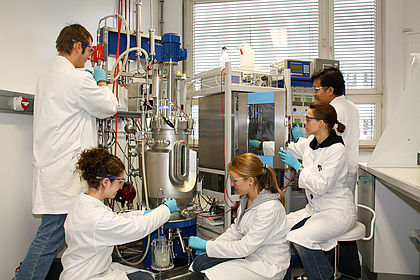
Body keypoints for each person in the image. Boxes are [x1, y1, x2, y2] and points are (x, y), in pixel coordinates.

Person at [17, 24, 119, 280]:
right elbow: (109, 105)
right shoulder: (77, 78)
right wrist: (102, 79)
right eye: (88, 51)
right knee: (49, 238)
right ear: (77, 46)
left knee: (56, 236)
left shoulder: (47, 76)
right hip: (64, 174)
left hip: (52, 169)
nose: (88, 57)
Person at [60, 147, 178, 280]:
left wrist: (143, 214)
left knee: (145, 276)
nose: (121, 188)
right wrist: (165, 210)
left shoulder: (83, 203)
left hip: (88, 269)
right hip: (87, 276)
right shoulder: (96, 218)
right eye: (119, 182)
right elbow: (135, 229)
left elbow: (116, 219)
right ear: (105, 182)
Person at [279, 102, 356, 280]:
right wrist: (259, 142)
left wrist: (298, 167)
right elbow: (290, 147)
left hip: (336, 211)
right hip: (316, 208)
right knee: (278, 228)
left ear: (321, 123)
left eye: (308, 118)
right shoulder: (311, 143)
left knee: (300, 238)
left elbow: (321, 186)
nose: (304, 123)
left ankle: (323, 276)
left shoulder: (337, 150)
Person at [188, 153, 290, 280]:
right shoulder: (246, 200)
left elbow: (245, 247)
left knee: (212, 277)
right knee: (200, 263)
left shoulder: (270, 208)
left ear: (251, 181)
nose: (231, 184)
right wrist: (213, 244)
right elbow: (235, 231)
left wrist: (207, 246)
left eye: (235, 180)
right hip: (249, 254)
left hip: (266, 264)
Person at [311, 67, 361, 278]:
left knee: (329, 223)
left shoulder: (333, 111)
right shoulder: (352, 107)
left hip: (336, 174)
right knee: (340, 222)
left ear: (330, 90)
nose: (315, 94)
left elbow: (323, 141)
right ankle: (349, 271)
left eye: (317, 89)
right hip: (347, 172)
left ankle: (328, 271)